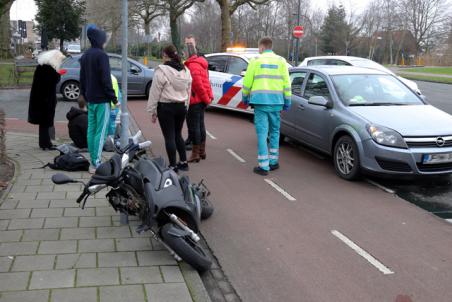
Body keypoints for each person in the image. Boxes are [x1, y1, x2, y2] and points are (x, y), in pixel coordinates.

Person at [242, 37, 291, 176]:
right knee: (275, 132)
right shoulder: (281, 62)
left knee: (262, 134)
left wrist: (245, 97)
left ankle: (264, 166)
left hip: (260, 103)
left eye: (259, 48)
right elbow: (287, 84)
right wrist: (287, 101)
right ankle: (273, 162)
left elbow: (247, 82)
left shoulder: (256, 61)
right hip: (277, 103)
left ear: (262, 48)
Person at [147, 45, 192, 171]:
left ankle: (172, 166)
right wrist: (186, 105)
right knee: (178, 134)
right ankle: (183, 162)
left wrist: (152, 111)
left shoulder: (161, 71)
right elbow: (189, 90)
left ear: (165, 55)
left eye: (162, 55)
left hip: (166, 107)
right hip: (181, 106)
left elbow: (154, 92)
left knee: (169, 137)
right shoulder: (185, 70)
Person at [79, 26, 118, 172]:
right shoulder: (102, 56)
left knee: (92, 129)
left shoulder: (85, 55)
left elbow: (82, 78)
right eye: (104, 38)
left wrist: (84, 94)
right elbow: (106, 79)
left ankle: (92, 160)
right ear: (99, 39)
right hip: (102, 100)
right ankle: (96, 163)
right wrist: (114, 98)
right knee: (101, 131)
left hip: (91, 100)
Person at [28, 49, 66, 150]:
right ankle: (46, 144)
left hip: (40, 98)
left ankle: (44, 143)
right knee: (46, 122)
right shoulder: (48, 68)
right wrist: (58, 73)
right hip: (46, 100)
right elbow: (54, 80)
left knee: (43, 123)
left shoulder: (41, 66)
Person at [184, 35, 213, 162]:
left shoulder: (193, 66)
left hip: (195, 101)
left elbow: (198, 85)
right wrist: (207, 98)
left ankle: (195, 154)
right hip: (200, 100)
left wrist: (206, 99)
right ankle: (202, 151)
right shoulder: (199, 63)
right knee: (200, 125)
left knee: (195, 126)